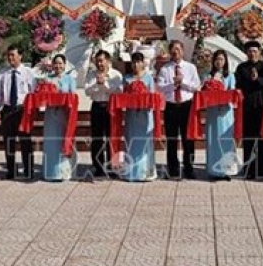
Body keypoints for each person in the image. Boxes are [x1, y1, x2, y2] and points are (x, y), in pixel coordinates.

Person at [156, 40, 200, 179]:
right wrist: (173, 85)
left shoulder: (190, 68)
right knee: (172, 139)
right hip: (171, 107)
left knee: (188, 140)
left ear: (183, 51)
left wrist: (183, 82)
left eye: (178, 49)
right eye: (173, 50)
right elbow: (160, 87)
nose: (176, 52)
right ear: (170, 52)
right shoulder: (165, 69)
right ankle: (173, 170)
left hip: (186, 106)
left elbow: (196, 86)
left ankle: (189, 168)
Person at [0, 46, 36, 180]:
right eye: (8, 55)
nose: (10, 58)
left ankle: (28, 170)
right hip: (7, 110)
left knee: (25, 141)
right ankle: (11, 170)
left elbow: (33, 92)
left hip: (22, 110)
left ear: (20, 56)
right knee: (9, 141)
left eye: (13, 55)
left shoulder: (28, 73)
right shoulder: (3, 73)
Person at [234, 40, 263, 180]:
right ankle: (249, 168)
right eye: (250, 51)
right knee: (249, 138)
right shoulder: (241, 68)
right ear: (246, 53)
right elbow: (238, 84)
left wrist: (257, 79)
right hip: (247, 106)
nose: (252, 54)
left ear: (259, 52)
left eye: (255, 51)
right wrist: (250, 80)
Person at [83, 49, 123, 178]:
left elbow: (117, 91)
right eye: (97, 61)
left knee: (112, 138)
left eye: (101, 61)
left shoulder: (115, 74)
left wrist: (104, 84)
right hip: (97, 107)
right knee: (97, 139)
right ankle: (98, 167)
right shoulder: (91, 74)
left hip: (110, 107)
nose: (99, 64)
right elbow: (87, 91)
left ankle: (113, 166)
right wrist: (97, 84)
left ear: (108, 61)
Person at [202, 49, 239, 181]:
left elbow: (232, 91)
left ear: (225, 61)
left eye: (222, 59)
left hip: (225, 113)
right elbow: (204, 92)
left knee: (225, 140)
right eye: (217, 59)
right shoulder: (208, 75)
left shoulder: (230, 76)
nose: (219, 62)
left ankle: (227, 170)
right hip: (212, 112)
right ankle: (213, 170)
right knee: (213, 140)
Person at [121, 51, 158, 182]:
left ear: (143, 63)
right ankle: (132, 171)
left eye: (138, 61)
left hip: (145, 114)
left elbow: (153, 97)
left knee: (144, 142)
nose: (136, 64)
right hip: (132, 115)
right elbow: (123, 96)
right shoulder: (127, 78)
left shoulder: (148, 78)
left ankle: (146, 171)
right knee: (132, 141)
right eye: (134, 62)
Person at [41, 54, 77, 182]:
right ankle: (51, 172)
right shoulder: (48, 79)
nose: (58, 66)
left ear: (65, 65)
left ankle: (64, 172)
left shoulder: (70, 79)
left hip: (64, 114)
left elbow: (73, 96)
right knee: (51, 142)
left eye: (60, 63)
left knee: (63, 140)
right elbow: (42, 96)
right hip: (51, 115)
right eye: (56, 63)